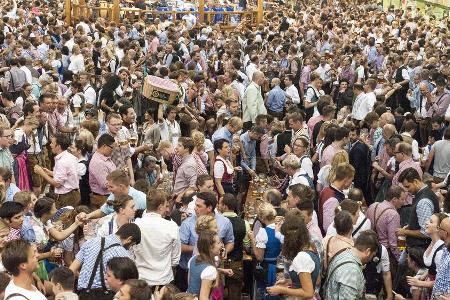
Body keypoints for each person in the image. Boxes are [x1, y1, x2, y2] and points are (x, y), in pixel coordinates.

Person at [69, 223, 141, 299]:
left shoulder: (90, 242)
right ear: (129, 239)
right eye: (132, 244)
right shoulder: (124, 254)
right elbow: (128, 283)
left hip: (83, 294)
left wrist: (86, 279)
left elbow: (72, 270)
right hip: (107, 295)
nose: (130, 248)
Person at [266, 209, 320, 299]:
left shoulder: (301, 257)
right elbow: (313, 279)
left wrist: (281, 289)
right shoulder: (311, 247)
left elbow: (308, 292)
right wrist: (288, 282)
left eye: (286, 236)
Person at [134, 189, 181, 288]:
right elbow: (175, 259)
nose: (167, 209)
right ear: (160, 207)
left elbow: (131, 253)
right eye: (165, 206)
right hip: (163, 280)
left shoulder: (136, 224)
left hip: (141, 279)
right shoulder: (171, 226)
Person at [324, 230, 380, 300]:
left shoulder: (343, 253)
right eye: (373, 255)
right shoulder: (352, 270)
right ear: (368, 251)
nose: (372, 258)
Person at [34, 133, 80, 208]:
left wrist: (42, 173)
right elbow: (66, 175)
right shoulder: (70, 156)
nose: (50, 145)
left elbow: (57, 184)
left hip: (67, 197)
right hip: (73, 194)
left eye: (52, 143)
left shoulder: (62, 162)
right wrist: (49, 172)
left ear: (58, 146)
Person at [397, 168, 440, 249]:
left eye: (407, 186)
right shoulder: (425, 193)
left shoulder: (423, 201)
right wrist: (409, 226)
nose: (406, 190)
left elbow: (426, 232)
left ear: (416, 181)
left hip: (421, 249)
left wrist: (404, 232)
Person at [248, 202, 282, 299]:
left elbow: (259, 257)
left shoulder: (263, 232)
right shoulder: (281, 228)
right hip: (280, 268)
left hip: (268, 269)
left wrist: (252, 239)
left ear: (262, 218)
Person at [218, 194, 247, 300]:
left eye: (220, 204)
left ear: (225, 206)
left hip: (219, 262)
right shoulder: (244, 223)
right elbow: (247, 243)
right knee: (234, 294)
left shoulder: (217, 222)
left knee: (217, 293)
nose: (218, 206)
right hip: (236, 262)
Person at [365, 186, 405, 264]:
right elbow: (393, 243)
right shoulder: (393, 214)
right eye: (402, 199)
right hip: (385, 253)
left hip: (370, 248)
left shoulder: (373, 205)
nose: (404, 202)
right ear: (394, 199)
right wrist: (400, 259)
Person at [318, 163, 355, 234]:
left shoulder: (326, 189)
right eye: (351, 179)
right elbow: (328, 227)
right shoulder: (333, 199)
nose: (351, 182)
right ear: (346, 179)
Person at [186, 230, 222, 298]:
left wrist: (221, 270)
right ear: (210, 247)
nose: (221, 245)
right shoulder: (210, 270)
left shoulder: (193, 259)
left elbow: (191, 283)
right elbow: (203, 298)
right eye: (218, 243)